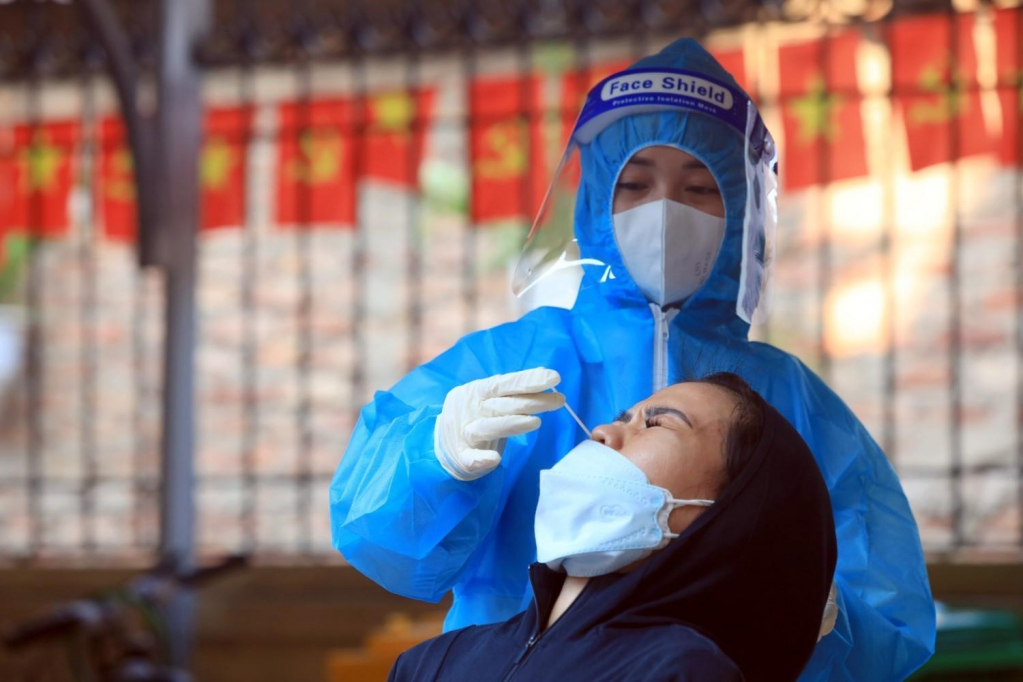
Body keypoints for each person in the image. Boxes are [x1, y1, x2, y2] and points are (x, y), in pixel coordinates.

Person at [331, 38, 935, 680]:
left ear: (743, 215)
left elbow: (888, 624)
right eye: (637, 184)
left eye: (700, 188)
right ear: (595, 202)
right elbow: (377, 535)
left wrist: (811, 608)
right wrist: (437, 456)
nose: (665, 211)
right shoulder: (519, 361)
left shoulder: (790, 404)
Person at [388, 374, 838, 682]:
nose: (602, 432)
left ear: (726, 517)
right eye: (622, 417)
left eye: (657, 422)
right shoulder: (433, 664)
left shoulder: (678, 672)